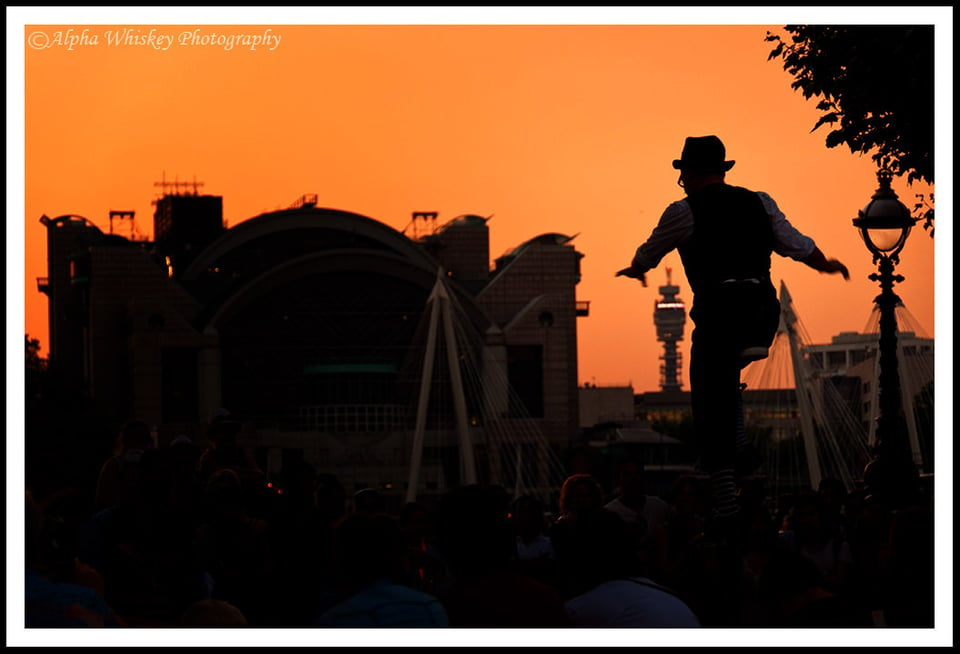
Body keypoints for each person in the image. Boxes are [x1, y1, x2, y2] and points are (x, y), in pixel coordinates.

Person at [617, 135, 849, 531]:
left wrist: (638, 267)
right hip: (761, 312)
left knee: (705, 392)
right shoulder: (760, 202)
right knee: (723, 381)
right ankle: (739, 442)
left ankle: (725, 496)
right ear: (723, 170)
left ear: (687, 173)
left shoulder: (682, 211)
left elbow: (651, 251)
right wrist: (823, 263)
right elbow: (795, 243)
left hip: (720, 312)